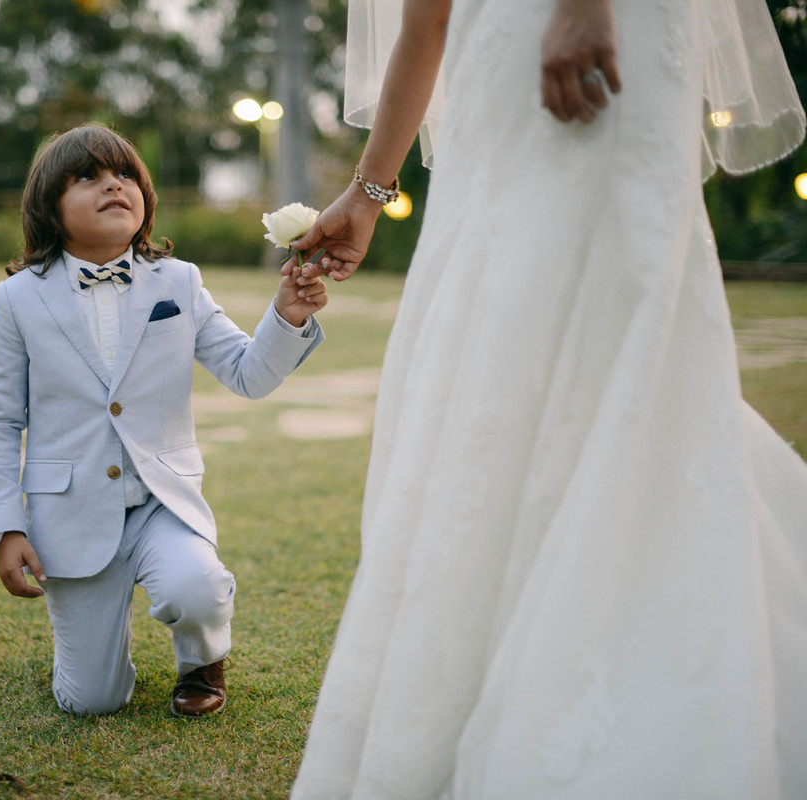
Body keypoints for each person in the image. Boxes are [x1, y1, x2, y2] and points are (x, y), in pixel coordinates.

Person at [287, 0, 807, 796]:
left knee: (627, 325)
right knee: (498, 333)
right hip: (502, 51)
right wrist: (369, 189)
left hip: (594, 29)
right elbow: (427, 12)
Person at [0, 124, 327, 718]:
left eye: (125, 175)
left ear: (144, 196)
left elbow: (248, 373)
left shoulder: (178, 281)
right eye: (87, 177)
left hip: (163, 499)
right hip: (71, 513)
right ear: (50, 209)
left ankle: (201, 661)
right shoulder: (19, 300)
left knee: (197, 588)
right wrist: (5, 525)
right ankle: (90, 660)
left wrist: (286, 315)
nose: (113, 184)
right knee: (91, 703)